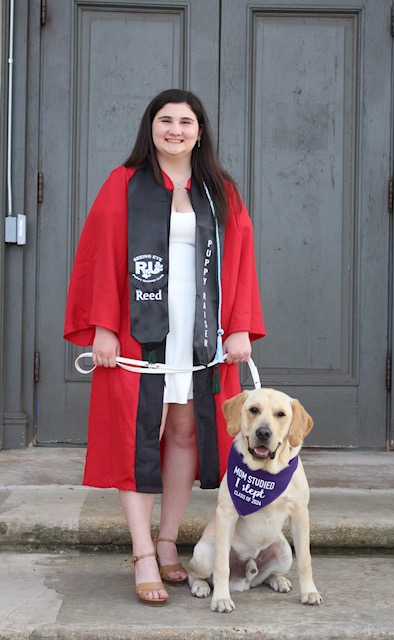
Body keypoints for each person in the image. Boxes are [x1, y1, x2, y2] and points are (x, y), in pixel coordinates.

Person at [64, 89, 265, 606]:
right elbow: (100, 254)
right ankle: (142, 553)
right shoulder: (123, 184)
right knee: (139, 434)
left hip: (201, 332)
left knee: (182, 430)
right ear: (150, 127)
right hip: (138, 330)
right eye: (166, 120)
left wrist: (239, 326)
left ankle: (168, 541)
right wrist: (103, 326)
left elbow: (241, 261)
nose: (175, 129)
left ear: (200, 131)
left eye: (186, 121)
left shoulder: (221, 191)